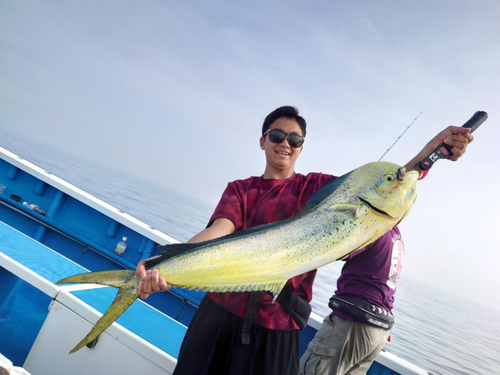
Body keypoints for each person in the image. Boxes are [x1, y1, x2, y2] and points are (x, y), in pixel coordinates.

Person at [135, 106, 472, 375]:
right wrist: (164, 263)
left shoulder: (320, 189)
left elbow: (390, 182)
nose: (285, 143)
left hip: (278, 324)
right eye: (278, 135)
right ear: (263, 140)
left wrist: (433, 151)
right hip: (220, 313)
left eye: (294, 139)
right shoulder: (242, 189)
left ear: (301, 148)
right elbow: (220, 229)